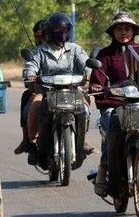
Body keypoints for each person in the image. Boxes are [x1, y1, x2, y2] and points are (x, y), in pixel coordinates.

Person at [22, 13, 92, 163]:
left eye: (65, 30)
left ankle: (81, 139)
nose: (62, 33)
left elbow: (86, 64)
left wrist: (89, 73)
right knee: (35, 105)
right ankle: (33, 143)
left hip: (72, 90)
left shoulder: (74, 49)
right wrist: (30, 75)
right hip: (47, 91)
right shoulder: (40, 51)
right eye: (57, 30)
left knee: (85, 108)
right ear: (49, 31)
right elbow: (31, 66)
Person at [88, 11, 139, 196]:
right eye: (119, 29)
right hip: (113, 103)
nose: (123, 33)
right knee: (111, 126)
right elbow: (97, 79)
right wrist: (97, 86)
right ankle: (104, 168)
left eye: (127, 29)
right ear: (113, 32)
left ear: (134, 31)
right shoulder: (104, 54)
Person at [13, 18, 49, 154]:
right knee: (26, 97)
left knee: (83, 100)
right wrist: (31, 77)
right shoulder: (36, 53)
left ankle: (81, 138)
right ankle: (27, 139)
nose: (40, 39)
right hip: (42, 89)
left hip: (64, 88)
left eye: (42, 35)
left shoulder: (65, 48)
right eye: (37, 36)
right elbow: (30, 69)